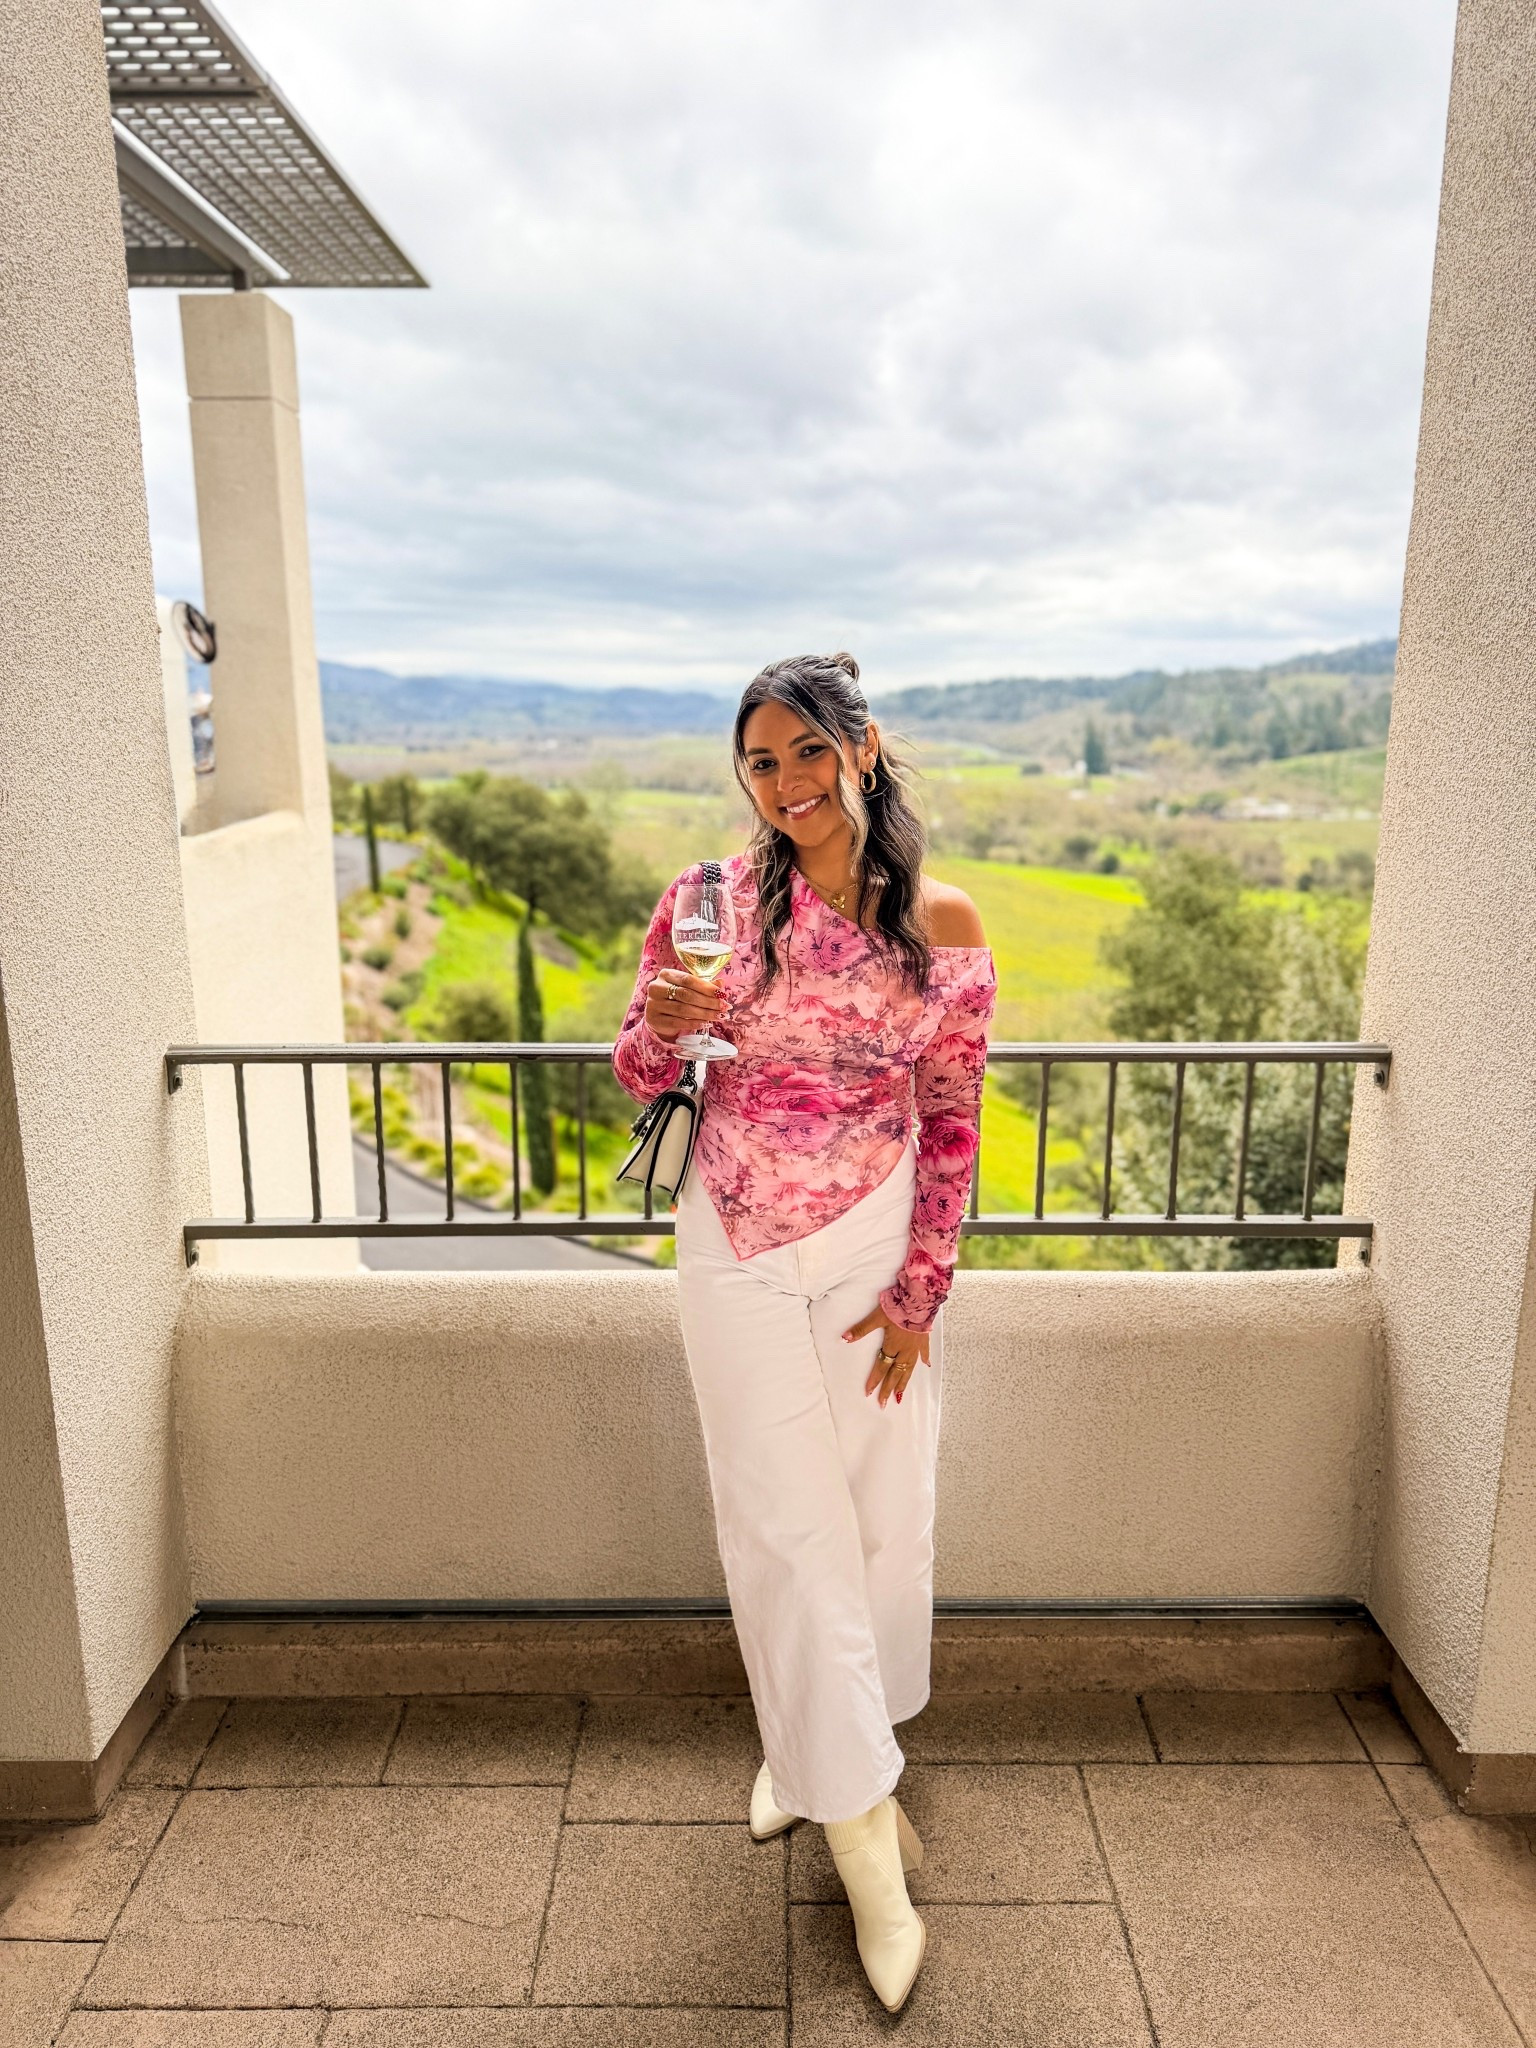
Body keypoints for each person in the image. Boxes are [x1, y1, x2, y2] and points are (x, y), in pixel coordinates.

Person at [611, 649, 996, 2014]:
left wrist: (922, 1287)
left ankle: (835, 1745)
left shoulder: (939, 923)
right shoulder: (708, 903)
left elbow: (952, 1108)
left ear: (864, 747)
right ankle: (865, 1850)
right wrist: (662, 1027)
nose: (784, 786)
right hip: (734, 1233)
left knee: (883, 1513)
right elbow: (643, 1076)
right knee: (783, 1525)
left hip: (876, 1235)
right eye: (761, 763)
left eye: (806, 754)